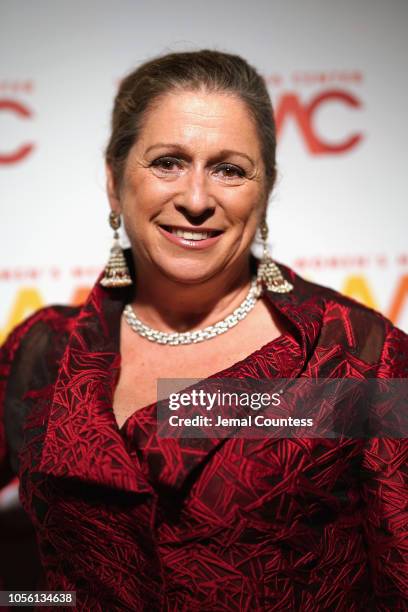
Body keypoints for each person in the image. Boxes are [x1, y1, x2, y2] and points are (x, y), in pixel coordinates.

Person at [0, 49, 407, 611]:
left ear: (265, 192)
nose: (195, 199)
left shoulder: (350, 356)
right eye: (167, 161)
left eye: (229, 169)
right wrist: (27, 603)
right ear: (115, 183)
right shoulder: (43, 349)